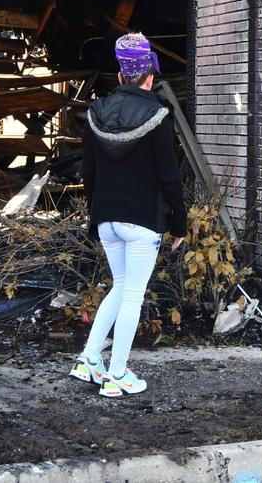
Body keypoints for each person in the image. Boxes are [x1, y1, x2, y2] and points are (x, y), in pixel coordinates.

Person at [70, 32, 186, 397]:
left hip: (107, 218)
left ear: (121, 76)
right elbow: (169, 176)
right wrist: (179, 225)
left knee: (120, 288)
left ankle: (89, 359)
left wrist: (98, 211)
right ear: (149, 76)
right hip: (142, 220)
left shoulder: (95, 113)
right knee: (132, 295)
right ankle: (117, 374)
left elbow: (88, 173)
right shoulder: (159, 116)